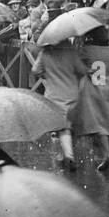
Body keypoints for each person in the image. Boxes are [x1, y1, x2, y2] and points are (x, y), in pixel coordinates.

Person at [32, 21, 85, 169]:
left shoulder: (45, 53)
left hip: (54, 96)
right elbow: (81, 70)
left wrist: (46, 74)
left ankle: (68, 156)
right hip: (72, 94)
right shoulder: (71, 52)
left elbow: (35, 70)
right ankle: (66, 155)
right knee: (68, 127)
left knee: (62, 128)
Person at [78, 24, 109, 171]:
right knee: (107, 119)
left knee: (98, 123)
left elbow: (79, 66)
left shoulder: (87, 49)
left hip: (94, 87)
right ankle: (107, 151)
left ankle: (107, 154)